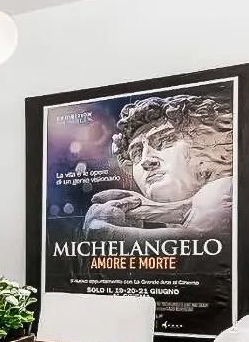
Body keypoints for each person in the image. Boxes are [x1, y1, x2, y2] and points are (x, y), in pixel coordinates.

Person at [84, 93, 234, 239]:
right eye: (136, 153)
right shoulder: (198, 206)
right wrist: (140, 208)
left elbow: (200, 242)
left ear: (205, 145)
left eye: (164, 141)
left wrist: (113, 237)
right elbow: (189, 213)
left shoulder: (224, 188)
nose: (145, 160)